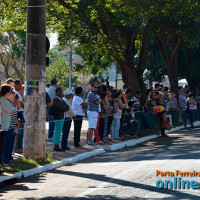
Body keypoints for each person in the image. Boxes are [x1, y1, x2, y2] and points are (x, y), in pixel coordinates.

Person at [0, 85, 16, 173]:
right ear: (6, 92)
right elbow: (12, 111)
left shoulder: (5, 100)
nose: (11, 93)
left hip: (5, 124)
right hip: (4, 125)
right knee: (3, 145)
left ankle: (2, 161)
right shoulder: (4, 101)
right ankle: (3, 161)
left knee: (4, 144)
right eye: (10, 92)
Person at [14, 80, 24, 152]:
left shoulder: (18, 93)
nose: (21, 86)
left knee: (18, 132)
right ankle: (18, 147)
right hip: (18, 113)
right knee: (18, 132)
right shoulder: (16, 93)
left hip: (19, 112)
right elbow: (21, 105)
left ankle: (17, 147)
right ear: (16, 85)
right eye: (20, 85)